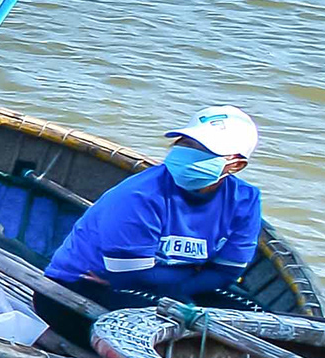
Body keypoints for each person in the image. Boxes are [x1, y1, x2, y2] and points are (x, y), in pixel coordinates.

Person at [44, 107, 266, 311]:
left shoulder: (245, 200)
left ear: (236, 165)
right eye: (187, 143)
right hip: (75, 287)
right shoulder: (140, 196)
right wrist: (191, 273)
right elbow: (128, 276)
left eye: (206, 150)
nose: (190, 152)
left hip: (162, 285)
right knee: (168, 317)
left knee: (254, 314)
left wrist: (177, 288)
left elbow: (228, 271)